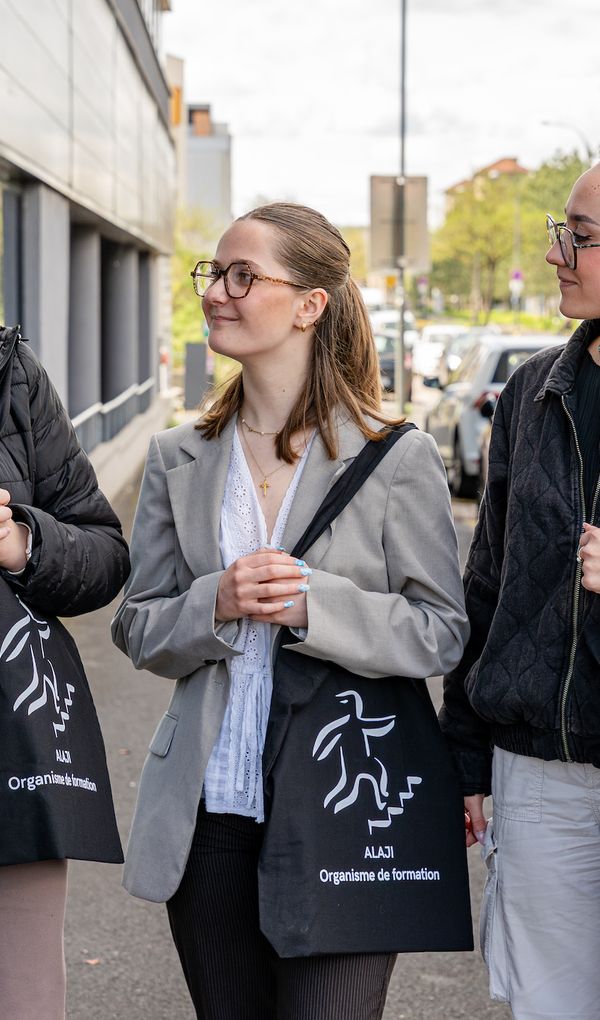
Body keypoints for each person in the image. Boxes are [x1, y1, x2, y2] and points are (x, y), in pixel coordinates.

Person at [111, 202, 469, 1020]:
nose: (218, 293)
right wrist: (217, 603)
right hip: (208, 823)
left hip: (342, 818)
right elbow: (138, 625)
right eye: (214, 273)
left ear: (310, 304)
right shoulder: (178, 457)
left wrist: (316, 605)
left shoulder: (393, 455)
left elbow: (441, 629)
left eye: (245, 276)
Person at [440, 161, 600, 1020]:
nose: (556, 254)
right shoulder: (534, 393)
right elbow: (489, 580)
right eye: (560, 229)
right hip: (542, 774)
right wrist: (466, 753)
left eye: (580, 235)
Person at [0, 324, 129, 1020]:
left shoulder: (8, 371)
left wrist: (21, 540)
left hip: (10, 762)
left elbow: (104, 552)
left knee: (22, 999)